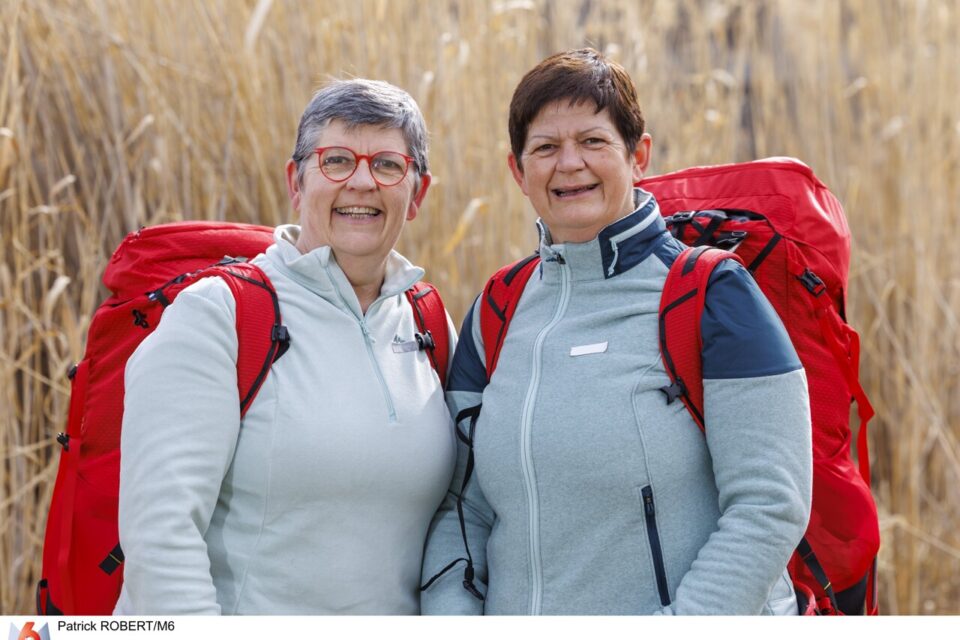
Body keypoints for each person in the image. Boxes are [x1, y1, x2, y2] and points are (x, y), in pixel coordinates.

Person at [420, 49, 812, 615]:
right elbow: (464, 508)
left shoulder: (712, 297)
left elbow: (769, 506)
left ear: (639, 155)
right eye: (546, 148)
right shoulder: (496, 312)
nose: (569, 163)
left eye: (593, 141)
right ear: (518, 171)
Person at [114, 79, 456, 614]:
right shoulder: (217, 316)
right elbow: (160, 536)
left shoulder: (429, 322)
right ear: (296, 182)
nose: (362, 182)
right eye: (337, 160)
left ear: (417, 193)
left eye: (388, 164)